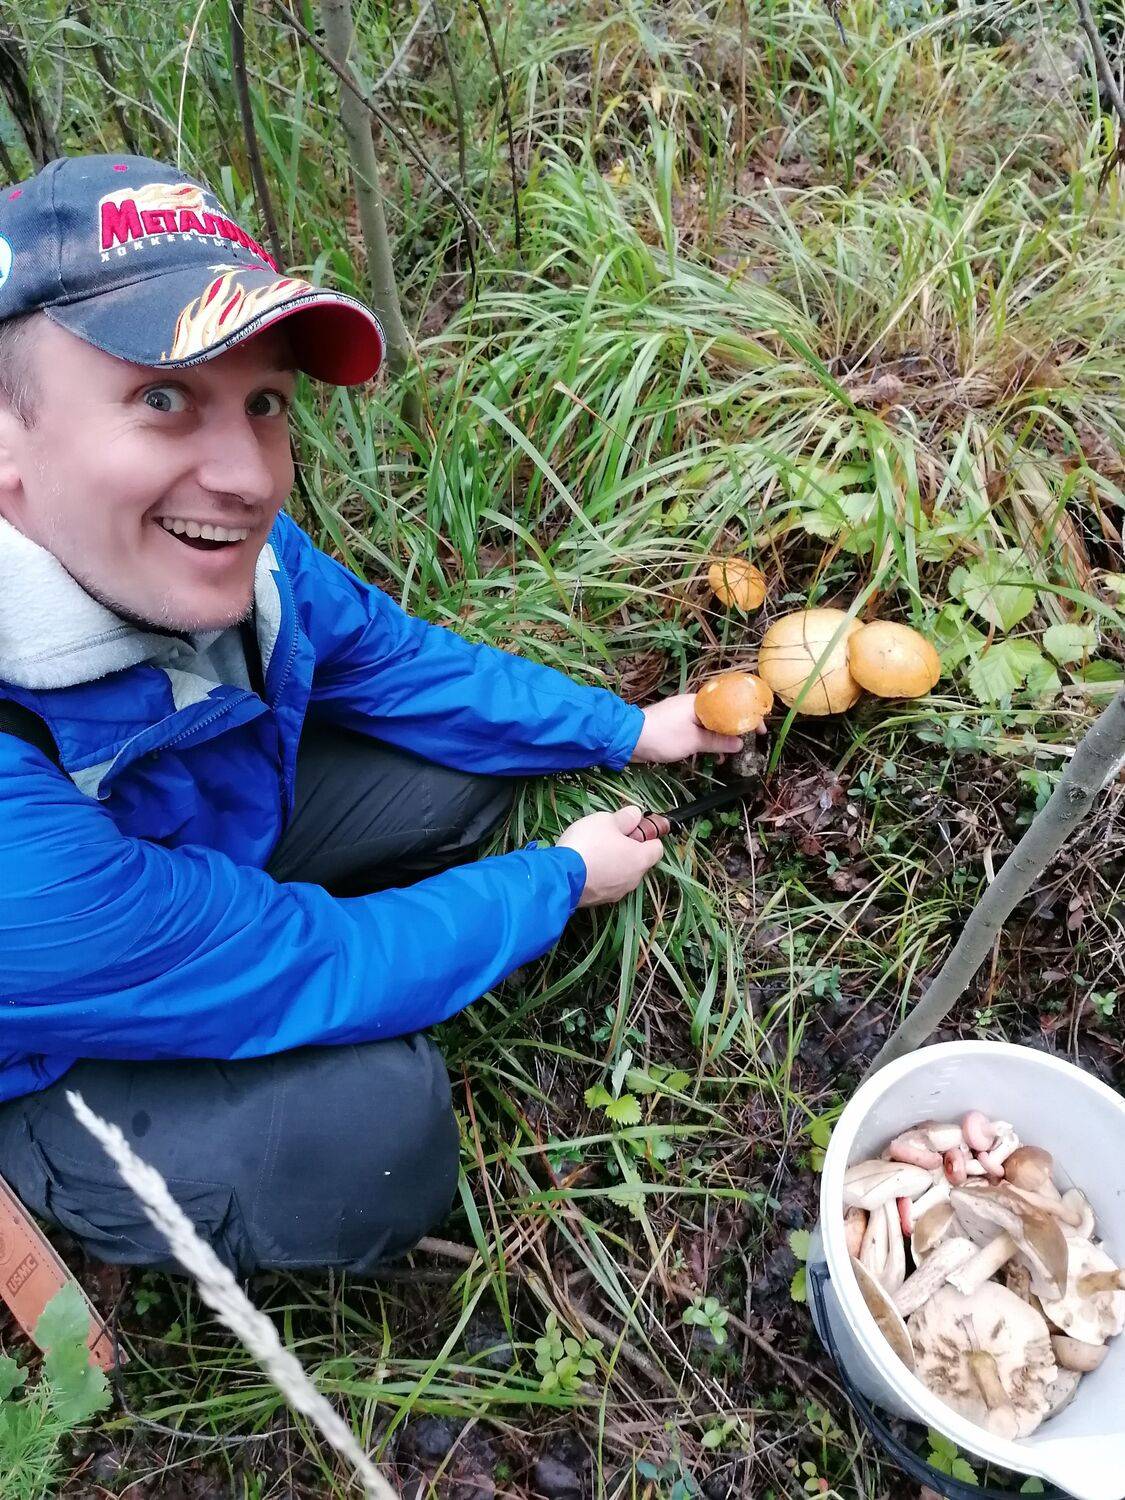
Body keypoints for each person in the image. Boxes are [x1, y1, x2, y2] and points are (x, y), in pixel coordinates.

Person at [0, 155, 746, 1280]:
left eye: (263, 403)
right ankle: (48, 1170)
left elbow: (400, 667)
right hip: (40, 1026)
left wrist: (628, 729)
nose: (249, 477)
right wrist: (558, 881)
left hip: (176, 845)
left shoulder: (237, 558)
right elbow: (312, 959)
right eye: (162, 398)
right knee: (371, 1138)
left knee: (464, 770)